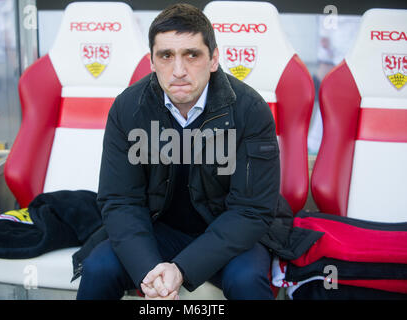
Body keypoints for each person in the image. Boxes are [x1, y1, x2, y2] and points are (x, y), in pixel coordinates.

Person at [76, 3, 281, 300]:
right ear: (152, 61)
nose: (179, 71)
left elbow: (251, 210)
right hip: (158, 230)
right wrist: (150, 270)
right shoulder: (128, 109)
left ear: (213, 59)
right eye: (166, 56)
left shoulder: (250, 110)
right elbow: (121, 201)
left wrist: (182, 268)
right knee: (97, 267)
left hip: (229, 234)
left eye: (192, 55)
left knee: (247, 280)